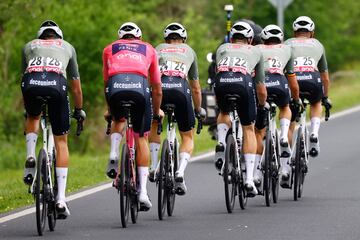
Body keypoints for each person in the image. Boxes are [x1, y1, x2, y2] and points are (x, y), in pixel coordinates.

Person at [21, 20, 85, 218]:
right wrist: (79, 110)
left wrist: (28, 107)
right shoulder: (68, 47)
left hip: (31, 84)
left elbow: (23, 78)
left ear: (41, 36)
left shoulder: (29, 46)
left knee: (33, 115)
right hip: (57, 85)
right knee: (61, 141)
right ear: (59, 37)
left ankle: (31, 155)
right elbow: (76, 87)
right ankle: (60, 199)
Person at [103, 22, 163, 210]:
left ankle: (114, 152)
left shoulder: (109, 49)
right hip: (139, 89)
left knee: (118, 118)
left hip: (115, 88)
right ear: (139, 37)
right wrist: (157, 110)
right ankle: (143, 192)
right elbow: (157, 87)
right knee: (141, 138)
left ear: (120, 37)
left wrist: (110, 110)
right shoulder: (149, 49)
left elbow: (106, 82)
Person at [148, 23, 205, 195]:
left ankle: (153, 166)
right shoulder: (189, 51)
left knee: (154, 124)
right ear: (184, 39)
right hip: (181, 90)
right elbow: (195, 87)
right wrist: (198, 109)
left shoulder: (157, 49)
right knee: (187, 135)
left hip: (160, 90)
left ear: (166, 39)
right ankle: (180, 171)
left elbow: (149, 76)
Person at [214, 21, 267, 196]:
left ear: (231, 38)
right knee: (249, 129)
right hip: (243, 85)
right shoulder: (256, 51)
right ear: (250, 39)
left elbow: (216, 73)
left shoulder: (222, 49)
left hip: (222, 83)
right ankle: (250, 179)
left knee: (223, 112)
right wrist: (261, 104)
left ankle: (221, 141)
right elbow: (260, 87)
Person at [254, 24, 301, 188]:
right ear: (280, 39)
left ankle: (257, 174)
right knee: (285, 108)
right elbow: (293, 83)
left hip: (261, 86)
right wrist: (296, 99)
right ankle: (282, 136)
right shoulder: (286, 49)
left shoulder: (256, 49)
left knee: (258, 131)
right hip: (279, 83)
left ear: (263, 39)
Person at [285, 16, 332, 159]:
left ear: (294, 32)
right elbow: (325, 77)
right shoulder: (317, 44)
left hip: (293, 81)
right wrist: (325, 97)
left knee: (290, 117)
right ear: (312, 32)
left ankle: (286, 156)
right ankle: (314, 132)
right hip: (312, 79)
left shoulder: (287, 43)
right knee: (316, 102)